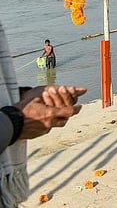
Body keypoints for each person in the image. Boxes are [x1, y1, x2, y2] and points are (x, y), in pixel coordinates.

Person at [1, 20, 86, 207]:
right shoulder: (45, 48)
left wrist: (20, 97)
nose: (47, 46)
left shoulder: (50, 48)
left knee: (50, 70)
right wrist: (15, 119)